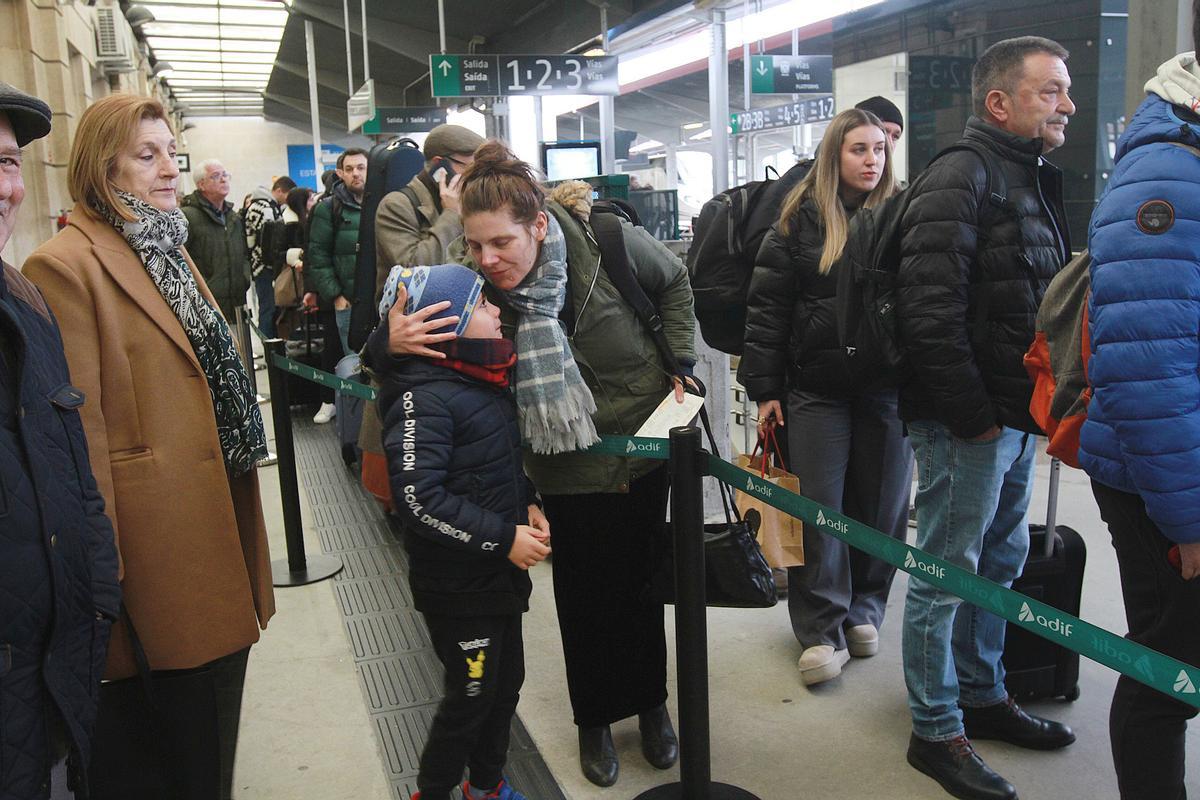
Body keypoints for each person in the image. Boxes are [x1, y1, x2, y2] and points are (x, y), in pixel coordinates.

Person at [375, 141, 696, 788]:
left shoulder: (605, 242)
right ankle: (595, 719)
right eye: (474, 245)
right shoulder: (472, 279)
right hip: (557, 458)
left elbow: (675, 284)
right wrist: (385, 341)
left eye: (501, 243)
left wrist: (680, 364)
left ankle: (652, 705)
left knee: (642, 582)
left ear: (539, 224)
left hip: (640, 443)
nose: (487, 261)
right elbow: (398, 330)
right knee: (583, 593)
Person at [21, 94, 276, 800]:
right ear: (105, 171)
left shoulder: (164, 245)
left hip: (210, 526)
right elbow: (82, 440)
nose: (170, 170)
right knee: (169, 756)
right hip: (154, 565)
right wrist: (103, 586)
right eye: (148, 155)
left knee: (209, 736)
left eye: (173, 153)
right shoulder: (66, 267)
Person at [895, 37, 1077, 800]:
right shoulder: (961, 175)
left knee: (998, 564)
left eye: (1066, 91)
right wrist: (972, 417)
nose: (1067, 104)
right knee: (944, 573)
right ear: (1000, 103)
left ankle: (983, 692)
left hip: (1011, 417)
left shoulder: (1026, 175)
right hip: (965, 421)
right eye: (1051, 91)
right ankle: (935, 731)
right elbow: (927, 312)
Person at [742, 107, 912, 686]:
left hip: (886, 391)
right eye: (858, 150)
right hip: (814, 390)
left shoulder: (902, 214)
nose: (871, 160)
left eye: (879, 150)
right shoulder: (799, 220)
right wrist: (764, 388)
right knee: (819, 508)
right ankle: (820, 628)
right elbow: (767, 309)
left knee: (883, 506)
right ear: (833, 155)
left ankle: (866, 607)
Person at [1080, 8, 1200, 797]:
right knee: (1167, 671)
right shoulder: (1168, 166)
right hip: (1167, 480)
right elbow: (1146, 365)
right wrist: (1190, 519)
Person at [371, 263, 546, 800]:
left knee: (503, 687)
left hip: (494, 580)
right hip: (459, 587)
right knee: (469, 696)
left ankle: (488, 786)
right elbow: (420, 500)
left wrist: (530, 502)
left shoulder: (477, 379)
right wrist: (505, 537)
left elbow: (490, 464)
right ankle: (434, 790)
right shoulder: (421, 396)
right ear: (445, 328)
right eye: (483, 306)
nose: (498, 312)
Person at [0, 81, 120, 800]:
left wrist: (95, 594)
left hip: (52, 687)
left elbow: (72, 468)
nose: (3, 186)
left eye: (10, 163)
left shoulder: (25, 305)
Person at [375, 123, 485, 290]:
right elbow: (414, 271)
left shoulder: (470, 199)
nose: (476, 175)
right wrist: (452, 214)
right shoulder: (396, 206)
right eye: (470, 167)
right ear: (439, 165)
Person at [308, 147, 367, 424]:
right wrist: (334, 295)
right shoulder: (327, 208)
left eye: (361, 167)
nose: (356, 173)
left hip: (376, 297)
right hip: (344, 299)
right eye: (350, 168)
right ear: (340, 173)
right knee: (343, 356)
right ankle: (337, 406)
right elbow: (317, 255)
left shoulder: (383, 203)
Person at [180, 159, 250, 322]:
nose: (223, 179)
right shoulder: (187, 217)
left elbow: (244, 254)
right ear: (201, 184)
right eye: (216, 176)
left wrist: (244, 278)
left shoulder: (233, 217)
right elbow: (181, 261)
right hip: (206, 308)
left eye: (225, 175)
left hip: (237, 304)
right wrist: (203, 289)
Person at [244, 175, 295, 337]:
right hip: (264, 268)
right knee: (268, 309)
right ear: (279, 191)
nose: (287, 201)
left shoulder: (259, 206)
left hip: (260, 266)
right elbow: (268, 243)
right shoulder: (264, 208)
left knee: (268, 308)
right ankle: (269, 349)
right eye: (287, 196)